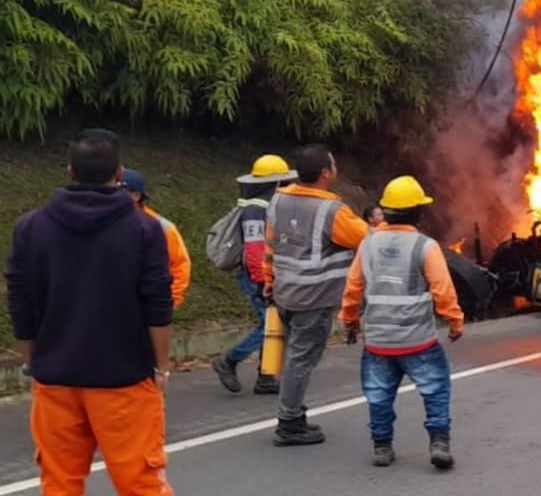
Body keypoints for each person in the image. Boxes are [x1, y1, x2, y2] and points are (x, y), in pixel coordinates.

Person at [5, 128, 174, 495]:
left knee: (60, 481)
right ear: (119, 175)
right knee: (140, 482)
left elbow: (20, 301)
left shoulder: (30, 227)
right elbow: (158, 305)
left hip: (55, 379)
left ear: (69, 172)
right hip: (124, 378)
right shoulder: (143, 229)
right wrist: (161, 366)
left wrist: (34, 361)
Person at [340, 176, 465, 469]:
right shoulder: (425, 246)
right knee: (436, 390)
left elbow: (353, 287)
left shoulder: (368, 244)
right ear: (418, 213)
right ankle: (439, 442)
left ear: (387, 210)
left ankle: (382, 447)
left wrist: (349, 321)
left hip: (378, 344)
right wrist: (455, 321)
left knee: (379, 397)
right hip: (419, 341)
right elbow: (442, 289)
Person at [264, 143, 370, 446]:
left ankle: (293, 413)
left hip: (285, 293)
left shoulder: (279, 200)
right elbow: (365, 239)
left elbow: (271, 246)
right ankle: (289, 422)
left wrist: (269, 281)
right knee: (301, 359)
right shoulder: (331, 211)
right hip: (315, 298)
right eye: (334, 164)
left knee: (294, 357)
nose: (337, 168)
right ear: (325, 173)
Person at [210, 154, 298, 396]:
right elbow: (254, 249)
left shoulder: (264, 206)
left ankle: (266, 377)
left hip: (265, 274)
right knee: (269, 323)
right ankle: (229, 361)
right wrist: (262, 281)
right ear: (276, 183)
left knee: (272, 323)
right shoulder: (255, 210)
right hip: (256, 276)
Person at [122, 168, 192, 308]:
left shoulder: (163, 228)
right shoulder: (105, 223)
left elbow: (180, 266)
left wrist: (170, 300)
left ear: (135, 196)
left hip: (147, 307)